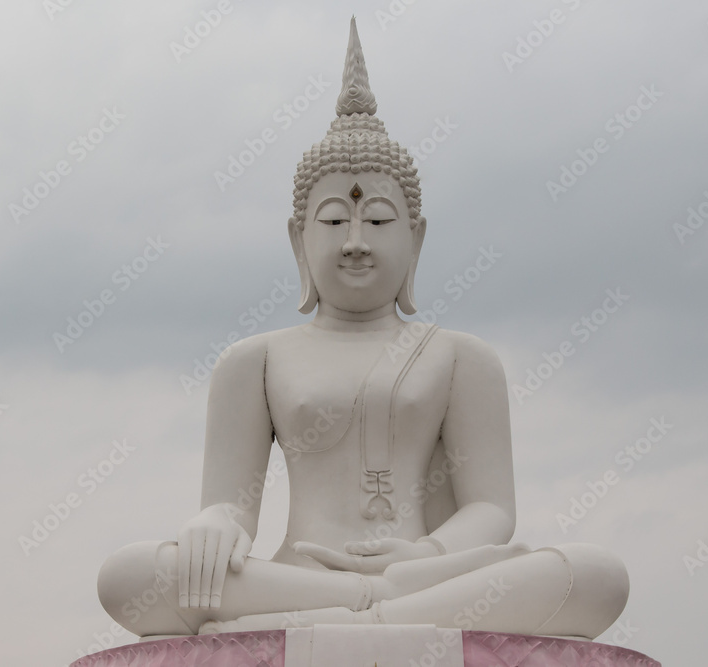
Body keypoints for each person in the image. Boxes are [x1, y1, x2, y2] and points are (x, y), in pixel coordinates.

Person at [96, 18, 628, 640]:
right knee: (129, 576)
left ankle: (351, 613)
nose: (354, 242)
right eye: (332, 222)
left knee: (598, 575)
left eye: (377, 221)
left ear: (415, 238)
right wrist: (213, 523)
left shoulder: (462, 357)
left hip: (422, 576)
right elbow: (232, 510)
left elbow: (490, 510)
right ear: (298, 239)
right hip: (299, 577)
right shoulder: (256, 359)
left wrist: (422, 558)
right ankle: (362, 606)